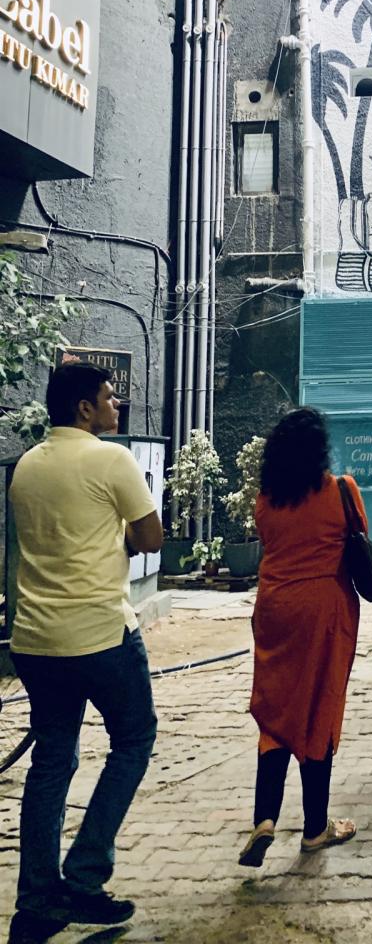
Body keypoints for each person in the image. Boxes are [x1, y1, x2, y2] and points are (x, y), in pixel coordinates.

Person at [7, 364, 163, 942]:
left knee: (51, 761)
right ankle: (85, 876)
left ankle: (36, 901)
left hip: (35, 639)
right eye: (109, 398)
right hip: (100, 634)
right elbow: (151, 538)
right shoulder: (110, 460)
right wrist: (116, 536)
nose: (117, 405)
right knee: (134, 740)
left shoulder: (26, 465)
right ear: (84, 408)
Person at [240, 408, 362, 868]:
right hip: (323, 610)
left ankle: (265, 817)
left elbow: (271, 541)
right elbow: (357, 537)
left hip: (275, 608)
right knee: (319, 710)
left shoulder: (265, 500)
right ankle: (314, 829)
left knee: (276, 709)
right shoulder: (341, 490)